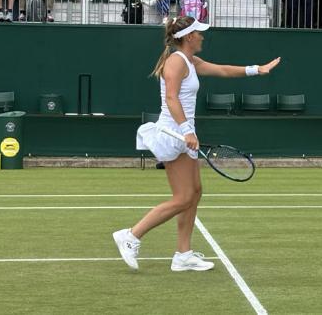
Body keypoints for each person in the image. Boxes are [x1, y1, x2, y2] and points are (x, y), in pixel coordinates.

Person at [120, 16, 281, 272]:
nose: (203, 37)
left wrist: (257, 69)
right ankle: (131, 235)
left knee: (194, 194)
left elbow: (223, 70)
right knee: (183, 197)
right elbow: (172, 99)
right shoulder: (175, 61)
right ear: (188, 37)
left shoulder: (190, 61)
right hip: (174, 134)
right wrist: (186, 131)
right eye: (199, 33)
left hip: (184, 133)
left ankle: (183, 255)